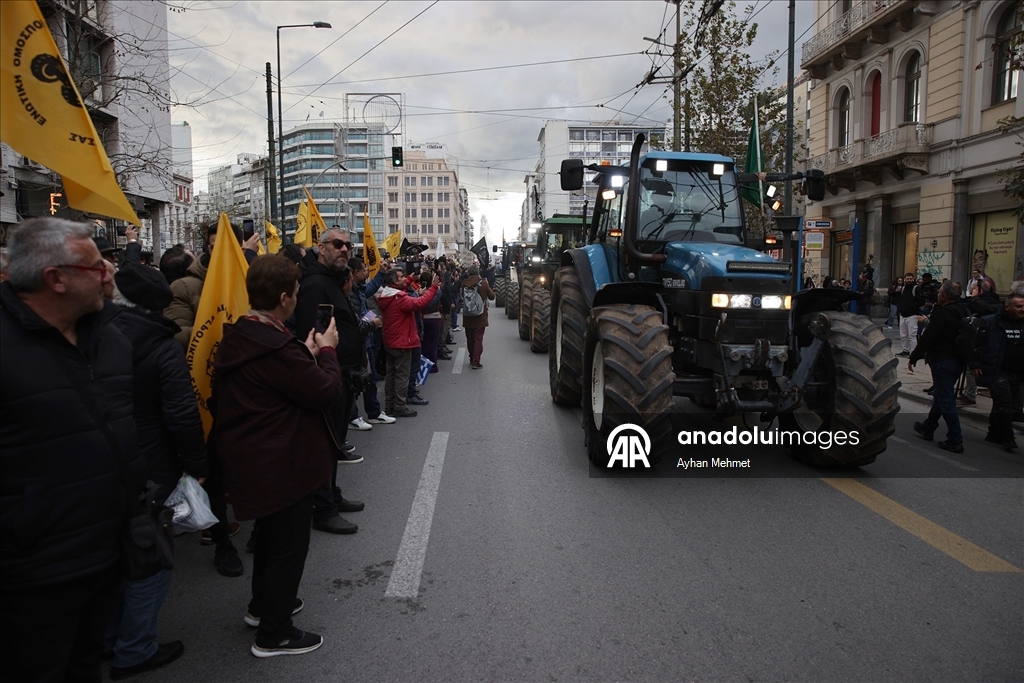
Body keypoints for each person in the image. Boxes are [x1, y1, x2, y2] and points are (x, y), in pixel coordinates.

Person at [1, 218, 144, 682]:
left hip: (107, 552)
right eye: (94, 264)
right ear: (55, 278)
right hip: (33, 573)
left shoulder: (112, 337)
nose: (108, 270)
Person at [211, 255, 342, 658]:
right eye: (297, 292)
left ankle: (262, 607)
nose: (299, 298)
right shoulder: (275, 348)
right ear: (285, 298)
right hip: (282, 464)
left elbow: (278, 381)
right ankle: (275, 633)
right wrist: (327, 352)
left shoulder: (245, 334)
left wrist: (301, 352)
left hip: (254, 459)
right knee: (287, 548)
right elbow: (324, 391)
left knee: (268, 539)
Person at [106, 262, 207, 678]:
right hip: (151, 463)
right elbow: (182, 413)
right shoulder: (160, 344)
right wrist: (197, 465)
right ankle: (134, 648)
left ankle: (110, 637)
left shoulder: (88, 333)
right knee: (150, 555)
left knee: (114, 554)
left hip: (103, 461)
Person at [295, 229, 372, 535]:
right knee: (326, 444)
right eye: (337, 244)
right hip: (329, 375)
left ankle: (332, 495)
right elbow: (309, 335)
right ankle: (323, 508)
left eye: (347, 245)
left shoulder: (332, 281)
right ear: (321, 248)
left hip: (344, 375)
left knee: (335, 442)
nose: (344, 249)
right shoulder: (315, 284)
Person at [909, 281, 967, 453]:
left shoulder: (942, 314)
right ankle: (928, 427)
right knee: (942, 395)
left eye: (940, 291)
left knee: (946, 399)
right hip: (958, 361)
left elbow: (928, 338)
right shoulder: (963, 311)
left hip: (942, 361)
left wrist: (914, 357)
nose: (938, 294)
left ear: (945, 296)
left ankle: (955, 438)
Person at [377, 267, 440, 417]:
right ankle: (400, 406)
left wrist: (410, 280)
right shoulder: (399, 298)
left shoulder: (386, 294)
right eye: (401, 277)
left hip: (391, 340)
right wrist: (434, 288)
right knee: (402, 376)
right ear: (394, 281)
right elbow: (419, 303)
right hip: (402, 342)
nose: (405, 279)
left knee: (391, 375)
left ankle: (390, 405)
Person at [971, 282, 1024, 451]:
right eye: (1019, 306)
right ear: (1007, 307)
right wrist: (974, 364)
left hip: (1017, 371)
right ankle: (1007, 437)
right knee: (1004, 402)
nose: (1022, 309)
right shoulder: (990, 322)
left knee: (1003, 403)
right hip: (997, 370)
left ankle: (993, 432)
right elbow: (975, 345)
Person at [346, 256, 393, 429]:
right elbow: (354, 320)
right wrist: (370, 323)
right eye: (364, 269)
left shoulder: (359, 288)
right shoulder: (348, 292)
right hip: (357, 343)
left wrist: (381, 272)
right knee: (355, 381)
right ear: (355, 273)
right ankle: (353, 417)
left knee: (370, 379)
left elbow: (370, 288)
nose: (367, 271)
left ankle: (373, 413)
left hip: (367, 341)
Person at [462, 264, 496, 369]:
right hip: (480, 316)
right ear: (478, 273)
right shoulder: (483, 283)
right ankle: (476, 361)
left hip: (468, 315)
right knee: (478, 339)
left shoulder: (464, 283)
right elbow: (492, 296)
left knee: (470, 338)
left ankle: (471, 357)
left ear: (468, 273)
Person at [897, 272, 923, 356]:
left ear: (913, 279)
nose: (908, 280)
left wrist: (911, 307)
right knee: (903, 335)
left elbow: (921, 301)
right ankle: (905, 350)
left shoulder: (916, 288)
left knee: (912, 335)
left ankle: (914, 352)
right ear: (904, 279)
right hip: (903, 315)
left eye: (910, 279)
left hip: (912, 315)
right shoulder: (903, 288)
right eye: (907, 279)